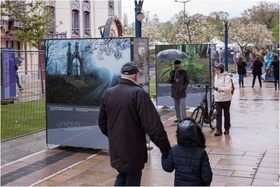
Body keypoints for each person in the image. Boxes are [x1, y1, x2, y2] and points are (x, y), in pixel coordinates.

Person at [98, 62, 171, 186]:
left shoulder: (109, 92)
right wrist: (166, 149)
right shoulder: (139, 93)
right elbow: (153, 126)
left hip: (116, 147)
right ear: (136, 76)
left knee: (122, 175)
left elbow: (102, 122)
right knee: (132, 178)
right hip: (133, 149)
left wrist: (114, 137)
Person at [161, 118, 213, 186]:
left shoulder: (174, 150)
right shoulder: (201, 153)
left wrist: (164, 154)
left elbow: (167, 168)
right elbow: (207, 176)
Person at [213, 63, 232, 136]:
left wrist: (221, 89)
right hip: (218, 99)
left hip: (226, 99)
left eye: (217, 69)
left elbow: (229, 88)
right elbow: (215, 86)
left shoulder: (226, 77)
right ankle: (218, 130)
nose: (216, 70)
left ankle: (227, 128)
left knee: (226, 114)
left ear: (221, 70)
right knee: (218, 114)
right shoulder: (216, 76)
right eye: (216, 69)